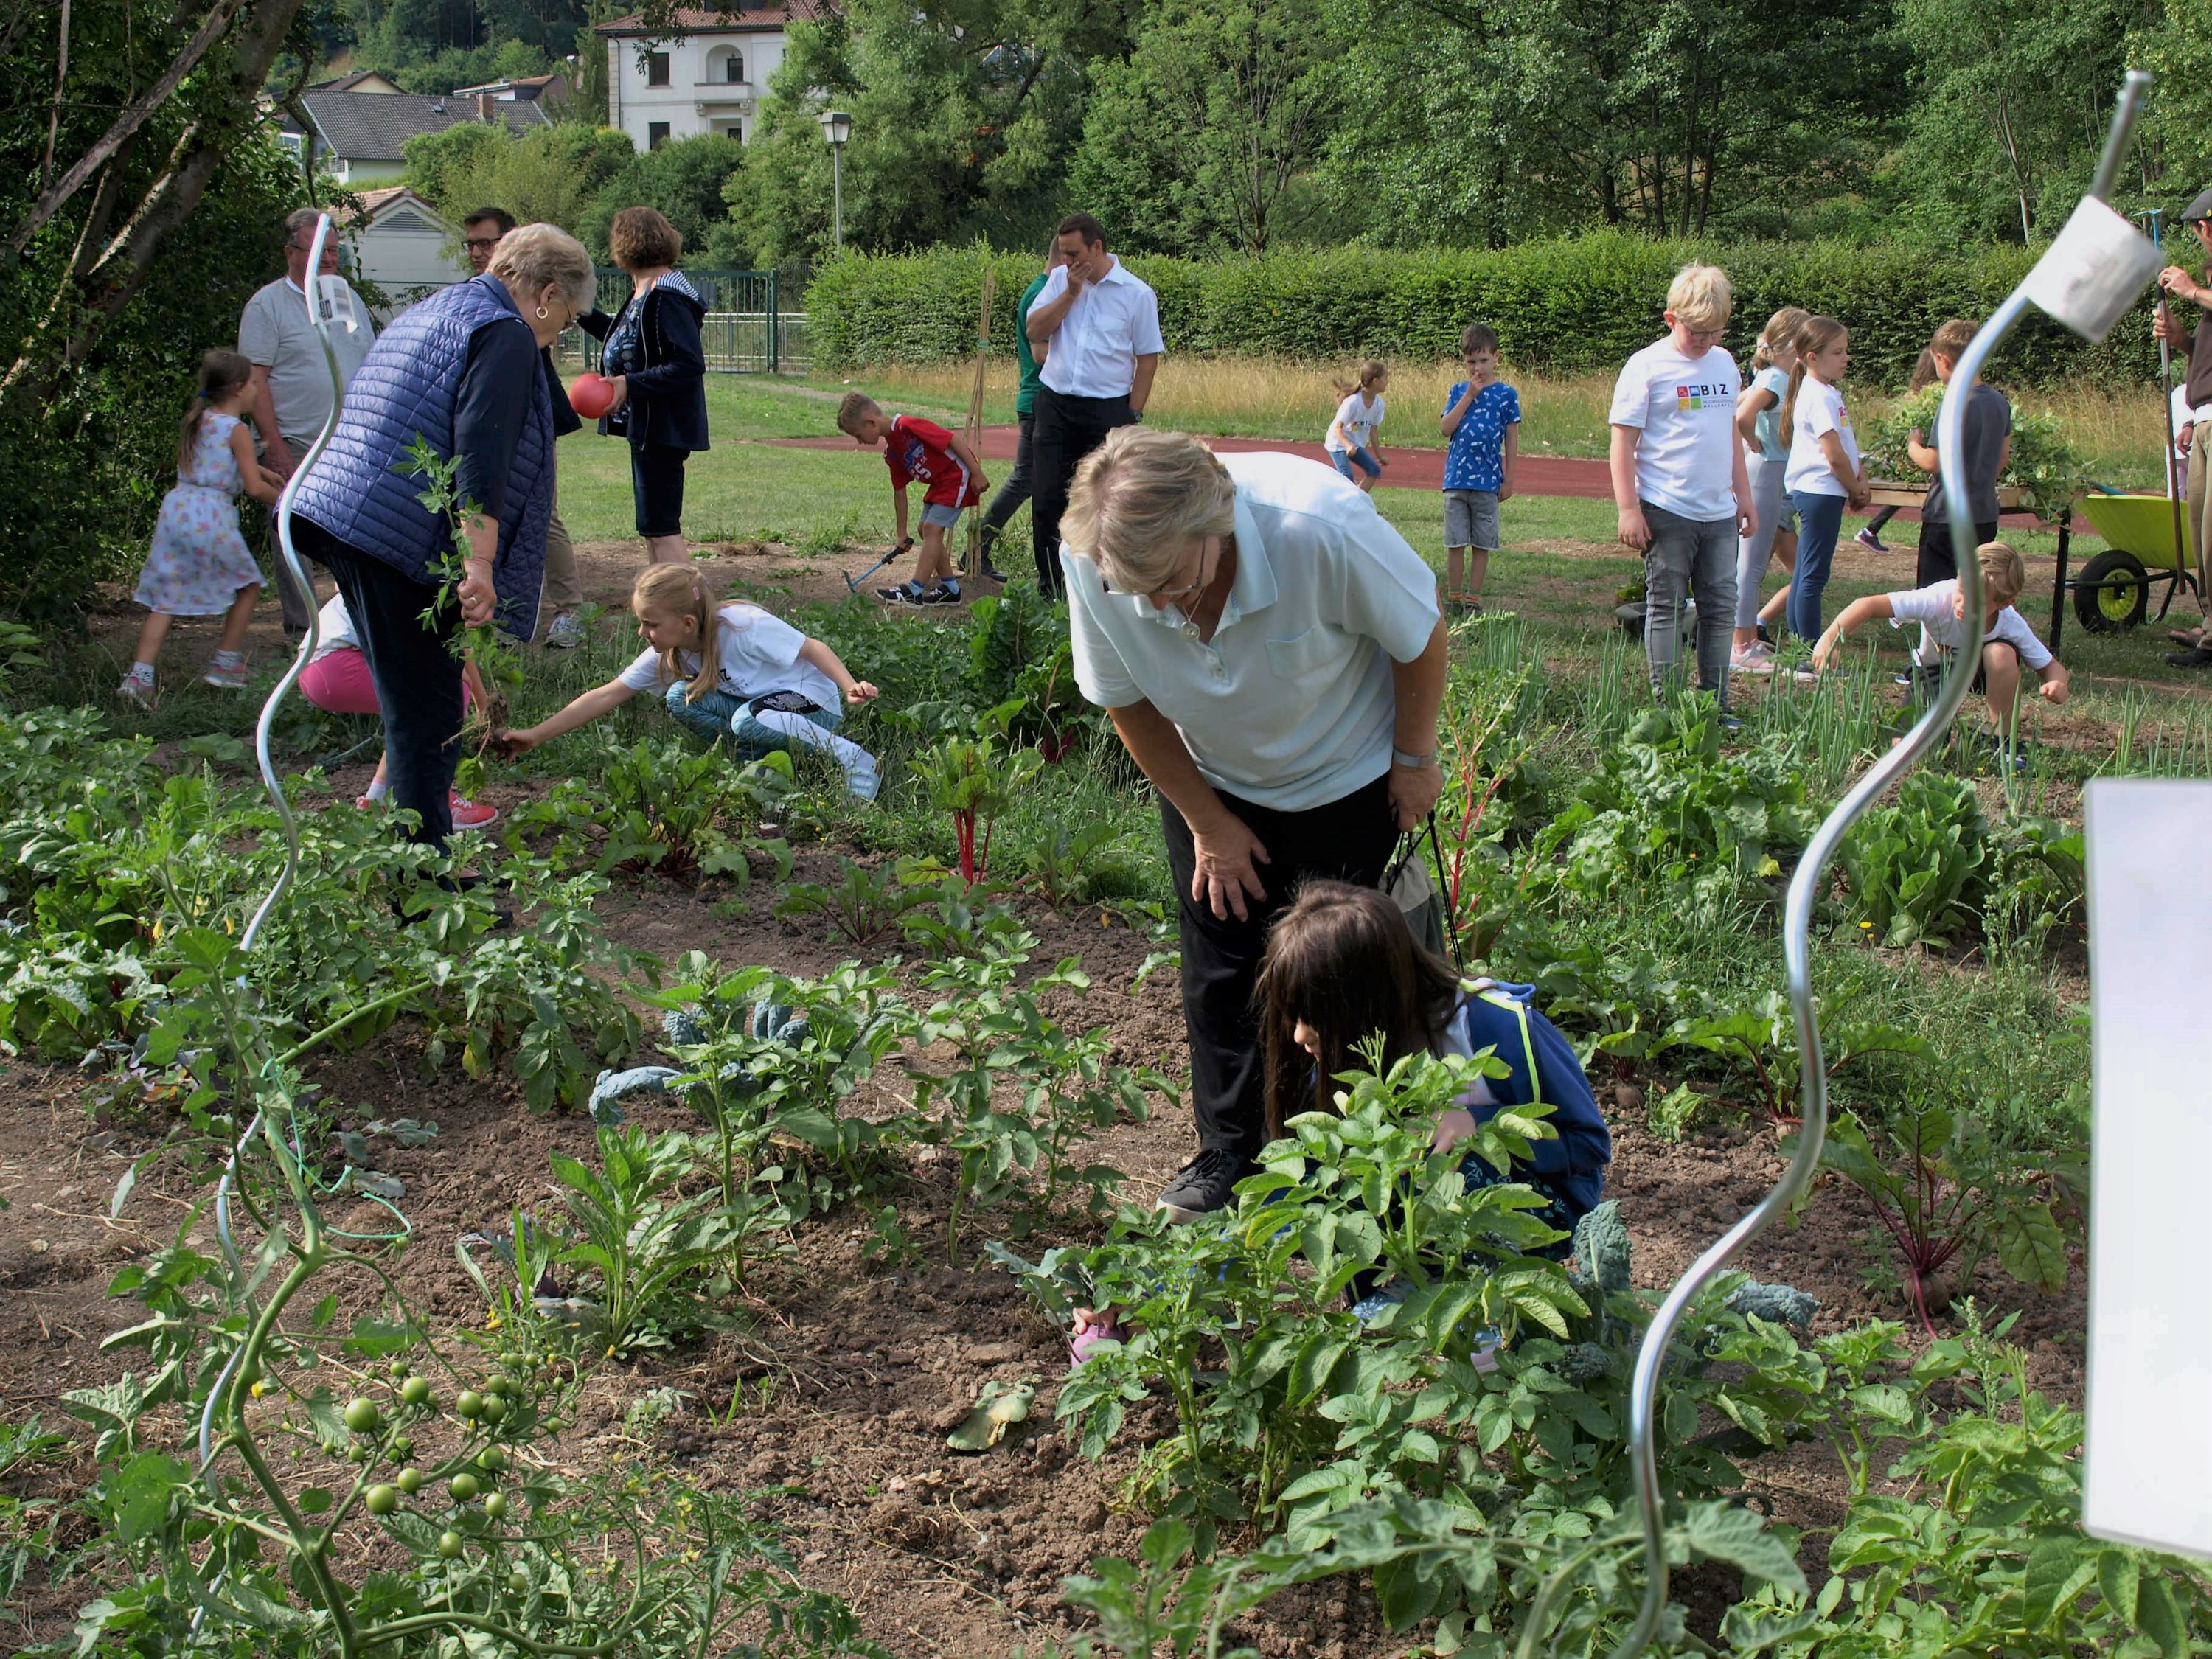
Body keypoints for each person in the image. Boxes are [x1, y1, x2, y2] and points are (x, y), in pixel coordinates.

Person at [1059, 428, 1447, 1221]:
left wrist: (1414, 758)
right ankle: (1231, 1153)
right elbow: (1123, 698)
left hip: (1345, 776)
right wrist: (1207, 822)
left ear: (1216, 527)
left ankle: (1351, 1160)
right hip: (1215, 784)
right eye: (1137, 592)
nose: (1155, 607)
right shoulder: (1099, 558)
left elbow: (1420, 633)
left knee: (1342, 975)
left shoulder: (1320, 526)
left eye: (1170, 582)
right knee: (1223, 968)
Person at [1070, 880, 1611, 1359]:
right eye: (1293, 1016)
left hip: (1543, 1212)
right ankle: (1416, 1290)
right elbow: (1290, 1201)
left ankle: (1498, 1312)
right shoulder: (1354, 1064)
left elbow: (1589, 1146)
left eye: (1314, 1017)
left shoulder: (1498, 1029)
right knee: (1348, 1177)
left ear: (1366, 1005)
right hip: (1428, 1226)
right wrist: (1152, 1289)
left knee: (1448, 1168)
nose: (1300, 1036)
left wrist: (1485, 1127)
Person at [287, 223, 592, 853]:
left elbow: (543, 414)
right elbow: (481, 453)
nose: (565, 329)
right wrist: (479, 564)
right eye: (569, 313)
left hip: (351, 518)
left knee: (418, 703)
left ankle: (414, 863)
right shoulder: (502, 332)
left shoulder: (448, 307)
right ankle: (420, 882)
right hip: (389, 534)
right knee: (428, 714)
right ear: (547, 291)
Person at [495, 566, 883, 800]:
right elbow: (608, 694)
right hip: (764, 712)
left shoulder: (743, 626)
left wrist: (849, 686)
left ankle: (858, 762)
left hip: (815, 706)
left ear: (687, 623)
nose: (642, 632)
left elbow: (813, 648)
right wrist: (536, 736)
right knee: (682, 697)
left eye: (650, 623)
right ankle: (763, 770)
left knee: (747, 719)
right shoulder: (673, 650)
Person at [1608, 264, 1750, 714]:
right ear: (1671, 319)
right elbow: (1622, 442)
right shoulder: (1646, 366)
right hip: (1667, 509)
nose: (1707, 341)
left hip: (1719, 512)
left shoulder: (1725, 364)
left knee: (1721, 606)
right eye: (1697, 332)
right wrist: (1628, 508)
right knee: (1665, 606)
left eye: (1716, 331)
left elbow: (1731, 434)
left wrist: (1742, 495)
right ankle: (1667, 707)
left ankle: (1715, 704)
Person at [116, 349, 285, 704]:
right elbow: (253, 488)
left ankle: (139, 678)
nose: (258, 390)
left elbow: (221, 465)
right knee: (249, 585)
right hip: (210, 516)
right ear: (239, 389)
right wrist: (286, 503)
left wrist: (261, 470)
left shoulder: (200, 418)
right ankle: (226, 663)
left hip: (178, 511)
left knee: (166, 599)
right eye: (255, 384)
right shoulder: (237, 429)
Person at [240, 208, 378, 631]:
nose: (329, 259)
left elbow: (369, 359)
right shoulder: (267, 306)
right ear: (290, 252)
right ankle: (303, 627)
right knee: (293, 534)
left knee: (352, 534)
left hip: (352, 440)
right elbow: (256, 380)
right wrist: (274, 444)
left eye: (334, 251)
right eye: (319, 250)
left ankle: (349, 621)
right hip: (296, 441)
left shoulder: (346, 298)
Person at [1024, 212, 1164, 599]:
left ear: (1097, 248)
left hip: (1108, 411)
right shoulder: (1058, 282)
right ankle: (1051, 588)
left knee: (1108, 502)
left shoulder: (1137, 294)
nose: (1066, 261)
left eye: (1073, 253)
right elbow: (1034, 330)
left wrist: (1131, 416)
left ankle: (1106, 587)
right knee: (1048, 496)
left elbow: (1148, 359)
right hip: (1055, 405)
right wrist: (1070, 293)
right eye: (1064, 254)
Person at [465, 206, 585, 650]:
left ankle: (570, 610)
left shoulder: (528, 310)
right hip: (492, 428)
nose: (479, 253)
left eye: (488, 243)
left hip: (532, 424)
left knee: (541, 514)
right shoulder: (475, 302)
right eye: (472, 244)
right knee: (486, 511)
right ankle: (497, 618)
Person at [1809, 540, 2067, 748]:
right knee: (1911, 747)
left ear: (2004, 603)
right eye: (1962, 592)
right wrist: (1830, 640)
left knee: (2000, 653)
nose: (1962, 605)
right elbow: (1866, 605)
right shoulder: (1938, 598)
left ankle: (2000, 740)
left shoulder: (2009, 622)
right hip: (1934, 672)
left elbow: (2051, 667)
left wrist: (2057, 684)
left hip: (1979, 674)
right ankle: (1943, 734)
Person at [299, 591, 500, 829]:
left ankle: (377, 800)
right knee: (443, 693)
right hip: (338, 665)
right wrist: (482, 705)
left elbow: (457, 645)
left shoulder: (410, 563)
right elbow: (456, 652)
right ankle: (433, 798)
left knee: (419, 704)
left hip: (317, 664)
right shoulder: (433, 582)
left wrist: (484, 706)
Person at [577, 206, 707, 568]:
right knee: (653, 527)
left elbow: (689, 364)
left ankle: (690, 612)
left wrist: (628, 384)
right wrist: (578, 309)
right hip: (647, 429)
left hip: (664, 429)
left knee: (663, 528)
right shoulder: (644, 292)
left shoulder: (666, 297)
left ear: (623, 245)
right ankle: (666, 607)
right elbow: (629, 342)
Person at [975, 236, 1070, 584]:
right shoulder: (1040, 294)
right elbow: (1040, 353)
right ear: (1062, 259)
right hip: (1038, 399)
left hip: (1045, 400)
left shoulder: (1047, 291)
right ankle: (977, 547)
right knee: (1025, 480)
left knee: (1040, 481)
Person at [835, 394, 988, 607]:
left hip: (957, 475)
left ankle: (915, 590)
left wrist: (976, 472)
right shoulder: (892, 453)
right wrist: (901, 533)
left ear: (871, 422)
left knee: (932, 528)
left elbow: (952, 440)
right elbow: (899, 492)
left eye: (859, 435)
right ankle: (950, 589)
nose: (860, 441)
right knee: (924, 529)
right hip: (940, 484)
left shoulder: (907, 426)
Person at [1730, 307, 1810, 675]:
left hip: (1769, 470)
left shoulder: (1769, 374)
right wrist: (1755, 444)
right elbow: (1742, 417)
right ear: (1793, 346)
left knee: (1755, 559)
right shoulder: (1777, 378)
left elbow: (1739, 404)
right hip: (1766, 471)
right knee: (1753, 561)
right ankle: (1741, 644)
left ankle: (1746, 636)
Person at [1781, 315, 1868, 651]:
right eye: (1838, 352)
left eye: (1846, 351)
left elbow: (1845, 445)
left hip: (1821, 491)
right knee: (1813, 575)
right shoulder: (1818, 396)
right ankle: (1809, 651)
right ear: (1812, 358)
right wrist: (1855, 487)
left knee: (1805, 570)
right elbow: (1833, 455)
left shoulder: (1826, 392)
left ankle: (1799, 650)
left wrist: (1858, 478)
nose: (1846, 358)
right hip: (1820, 491)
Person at [1905, 321, 2011, 590]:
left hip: (1947, 516)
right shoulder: (1999, 402)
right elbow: (2003, 457)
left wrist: (1913, 445)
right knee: (1973, 589)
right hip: (1984, 514)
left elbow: (1934, 462)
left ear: (1942, 360)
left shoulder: (1954, 402)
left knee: (1936, 594)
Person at [2154, 185, 2212, 667]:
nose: (2200, 235)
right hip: (2206, 418)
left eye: (2199, 226)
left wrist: (2192, 291)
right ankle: (2210, 626)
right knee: (2201, 530)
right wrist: (2183, 340)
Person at [1439, 324, 1520, 616]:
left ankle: (1473, 599)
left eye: (1484, 360)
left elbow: (1511, 438)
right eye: (1471, 362)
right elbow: (1446, 427)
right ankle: (1455, 597)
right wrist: (1468, 397)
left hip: (1488, 482)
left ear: (1496, 357)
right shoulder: (1459, 390)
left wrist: (1508, 479)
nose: (1478, 367)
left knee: (1482, 543)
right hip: (1457, 480)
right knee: (1455, 541)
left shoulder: (1507, 395)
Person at [1851, 347, 1935, 555]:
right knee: (1919, 489)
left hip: (1911, 451)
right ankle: (1871, 530)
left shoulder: (1914, 392)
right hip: (1920, 451)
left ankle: (1871, 530)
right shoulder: (1931, 396)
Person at [1325, 361, 1390, 493]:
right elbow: (1338, 429)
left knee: (1374, 470)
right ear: (1376, 381)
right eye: (1386, 378)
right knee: (1347, 478)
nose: (1388, 382)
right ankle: (1343, 506)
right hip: (1338, 444)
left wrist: (1379, 456)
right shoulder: (1353, 402)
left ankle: (1357, 500)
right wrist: (1348, 446)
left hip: (1355, 445)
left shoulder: (1379, 404)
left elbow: (1374, 432)